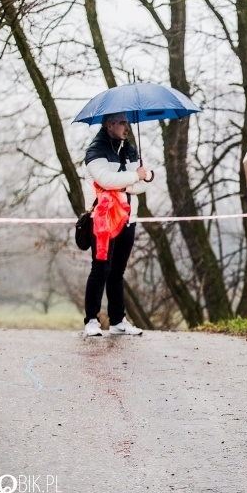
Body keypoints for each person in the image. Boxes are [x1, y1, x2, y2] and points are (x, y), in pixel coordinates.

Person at [82, 112, 150, 337]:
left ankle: (117, 320)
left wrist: (130, 180)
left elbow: (142, 186)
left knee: (117, 271)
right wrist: (133, 177)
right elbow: (105, 180)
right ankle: (91, 320)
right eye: (122, 122)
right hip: (103, 220)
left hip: (128, 218)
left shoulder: (130, 149)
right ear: (110, 125)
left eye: (127, 122)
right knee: (101, 269)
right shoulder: (96, 150)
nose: (126, 127)